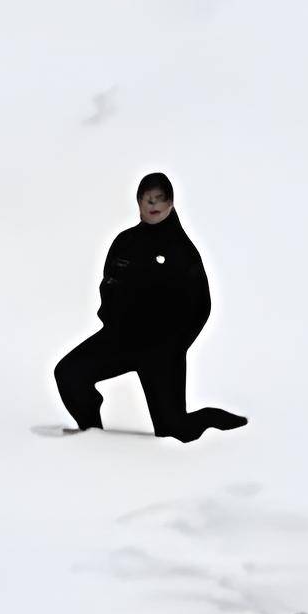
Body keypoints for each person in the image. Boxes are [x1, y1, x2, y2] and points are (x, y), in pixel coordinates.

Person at [56, 172, 248, 441]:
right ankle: (90, 437)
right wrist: (113, 321)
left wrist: (173, 346)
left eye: (160, 198)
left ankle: (214, 418)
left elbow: (201, 306)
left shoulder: (183, 250)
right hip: (121, 340)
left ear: (171, 202)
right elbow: (108, 285)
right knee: (68, 374)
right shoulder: (125, 242)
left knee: (173, 430)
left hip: (162, 352)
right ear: (138, 202)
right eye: (147, 199)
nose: (153, 204)